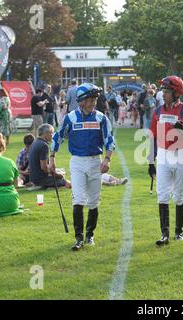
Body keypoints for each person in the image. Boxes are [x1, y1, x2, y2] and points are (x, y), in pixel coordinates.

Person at [50, 83, 115, 251]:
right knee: (78, 199)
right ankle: (78, 238)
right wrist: (52, 158)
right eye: (90, 99)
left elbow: (109, 140)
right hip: (77, 162)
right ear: (81, 101)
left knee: (93, 202)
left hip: (95, 161)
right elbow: (58, 137)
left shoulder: (101, 118)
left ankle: (89, 235)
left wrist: (107, 159)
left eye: (95, 98)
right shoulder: (70, 118)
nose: (94, 101)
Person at [147, 76, 183, 246]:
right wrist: (150, 162)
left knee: (179, 194)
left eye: (167, 92)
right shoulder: (158, 111)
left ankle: (179, 232)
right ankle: (164, 234)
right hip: (162, 154)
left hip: (179, 154)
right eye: (163, 91)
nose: (163, 94)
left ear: (177, 93)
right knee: (162, 194)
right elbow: (152, 136)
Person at [29, 124, 71, 189]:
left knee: (60, 172)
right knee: (68, 183)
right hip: (41, 179)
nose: (52, 135)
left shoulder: (35, 142)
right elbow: (44, 168)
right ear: (46, 133)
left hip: (33, 177)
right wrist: (58, 175)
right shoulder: (43, 145)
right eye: (52, 133)